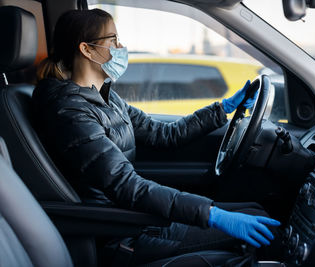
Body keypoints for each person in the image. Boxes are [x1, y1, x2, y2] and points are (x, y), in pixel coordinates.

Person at [32, 8, 281, 265]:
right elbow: (126, 185)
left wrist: (223, 109)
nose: (121, 47)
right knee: (268, 230)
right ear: (87, 49)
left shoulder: (105, 97)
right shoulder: (69, 110)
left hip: (136, 217)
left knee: (256, 211)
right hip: (121, 232)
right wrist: (210, 214)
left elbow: (164, 133)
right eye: (113, 40)